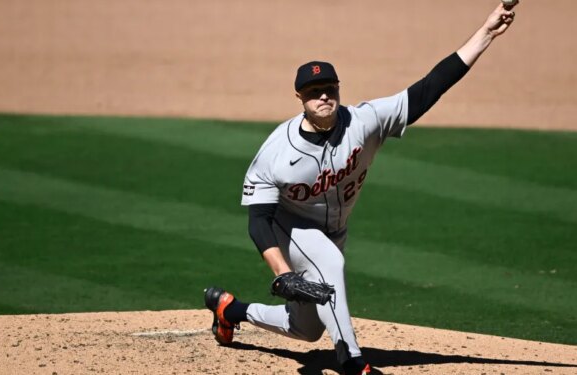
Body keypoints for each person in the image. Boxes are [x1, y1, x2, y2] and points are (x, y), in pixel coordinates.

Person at [204, 2, 518, 374]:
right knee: (331, 264)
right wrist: (282, 273)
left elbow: (430, 86)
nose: (323, 96)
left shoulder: (364, 122)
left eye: (329, 88)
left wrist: (485, 32)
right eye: (313, 91)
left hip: (335, 230)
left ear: (339, 88)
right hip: (289, 229)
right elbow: (258, 219)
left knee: (305, 329)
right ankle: (352, 361)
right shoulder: (276, 152)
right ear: (299, 99)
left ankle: (229, 309)